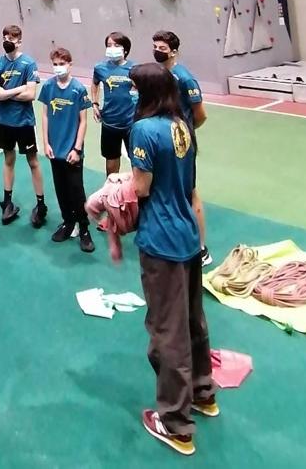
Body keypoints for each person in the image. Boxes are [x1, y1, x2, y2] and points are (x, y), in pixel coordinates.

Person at [128, 63, 216, 457]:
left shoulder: (144, 130)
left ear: (146, 92)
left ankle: (175, 423)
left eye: (133, 90)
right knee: (194, 319)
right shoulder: (182, 125)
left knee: (168, 332)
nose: (129, 95)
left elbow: (142, 187)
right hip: (187, 236)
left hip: (161, 240)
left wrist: (114, 190)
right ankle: (203, 392)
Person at [151, 31, 211, 266]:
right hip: (164, 143)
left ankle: (202, 249)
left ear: (174, 51)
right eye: (155, 46)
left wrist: (183, 134)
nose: (157, 50)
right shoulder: (160, 76)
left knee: (190, 193)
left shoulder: (184, 78)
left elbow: (201, 114)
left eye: (162, 47)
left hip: (183, 146)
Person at [38, 47, 94, 252]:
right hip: (55, 150)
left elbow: (83, 121)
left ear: (70, 64)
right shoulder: (48, 87)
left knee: (76, 191)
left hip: (72, 151)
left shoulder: (79, 89)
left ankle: (84, 228)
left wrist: (77, 149)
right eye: (55, 64)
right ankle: (68, 222)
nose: (58, 68)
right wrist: (46, 143)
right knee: (61, 190)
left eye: (62, 64)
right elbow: (44, 116)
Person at [0, 24, 46, 227]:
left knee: (33, 162)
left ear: (19, 41)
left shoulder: (28, 63)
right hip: (4, 121)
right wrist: (20, 88)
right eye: (5, 37)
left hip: (23, 122)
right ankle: (7, 202)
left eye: (12, 38)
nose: (8, 41)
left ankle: (41, 204)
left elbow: (31, 95)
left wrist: (7, 93)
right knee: (8, 159)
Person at [91, 32, 136, 176]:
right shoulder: (100, 68)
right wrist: (95, 103)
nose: (112, 48)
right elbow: (95, 83)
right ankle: (111, 193)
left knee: (137, 161)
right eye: (109, 45)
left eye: (116, 45)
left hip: (132, 123)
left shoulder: (135, 68)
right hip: (109, 122)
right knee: (111, 163)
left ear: (125, 49)